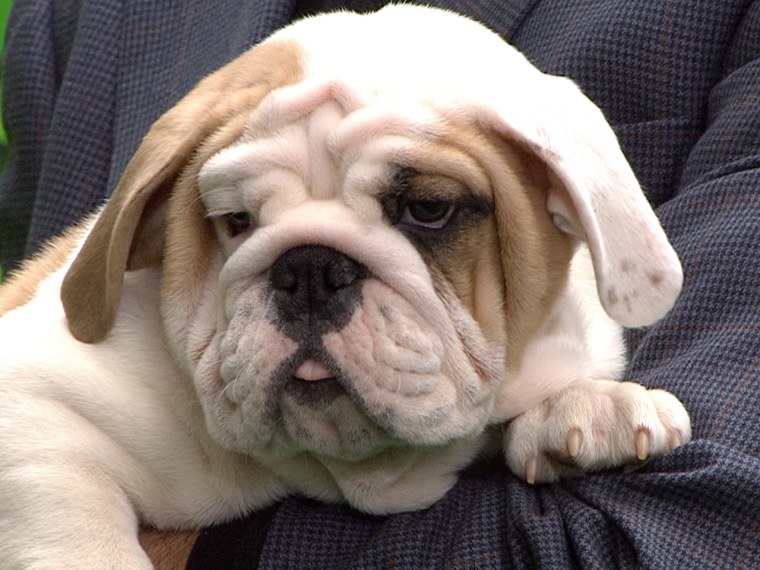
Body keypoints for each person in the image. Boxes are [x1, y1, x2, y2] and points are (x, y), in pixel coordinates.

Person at [2, 0, 759, 567]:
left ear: (574, 197)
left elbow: (692, 525)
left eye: (427, 210)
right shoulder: (80, 15)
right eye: (237, 218)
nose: (310, 287)